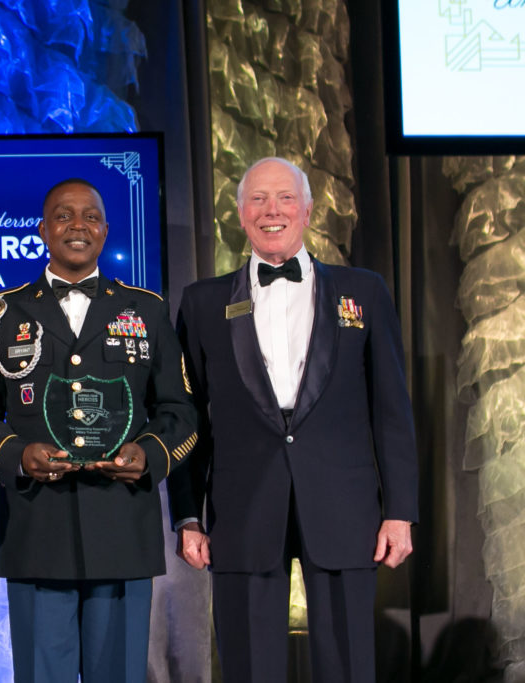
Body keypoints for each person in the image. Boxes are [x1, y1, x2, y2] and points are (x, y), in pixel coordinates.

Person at [169, 157, 418, 683]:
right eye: (258, 199)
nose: (272, 210)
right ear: (240, 213)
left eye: (285, 198)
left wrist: (399, 511)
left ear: (307, 211)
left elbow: (392, 410)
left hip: (344, 506)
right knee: (248, 666)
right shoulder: (202, 302)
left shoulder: (364, 291)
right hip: (242, 510)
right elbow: (188, 420)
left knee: (349, 665)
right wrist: (188, 516)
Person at [0, 178, 198, 683]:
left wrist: (149, 454)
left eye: (91, 216)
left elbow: (180, 411)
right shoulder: (0, 313)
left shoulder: (147, 309)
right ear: (42, 230)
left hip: (121, 527)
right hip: (36, 529)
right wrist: (16, 455)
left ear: (106, 231)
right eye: (64, 215)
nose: (78, 225)